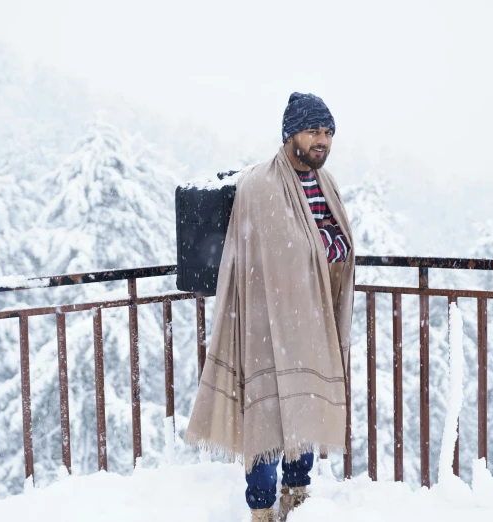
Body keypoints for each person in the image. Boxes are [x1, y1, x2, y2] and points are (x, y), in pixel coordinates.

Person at [185, 92, 355, 522]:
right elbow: (280, 253)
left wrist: (321, 250)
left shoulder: (325, 182)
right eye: (314, 131)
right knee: (268, 412)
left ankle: (297, 495)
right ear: (290, 134)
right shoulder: (262, 185)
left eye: (328, 133)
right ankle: (261, 509)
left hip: (312, 318)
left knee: (305, 405)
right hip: (267, 318)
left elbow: (337, 245)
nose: (323, 141)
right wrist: (321, 250)